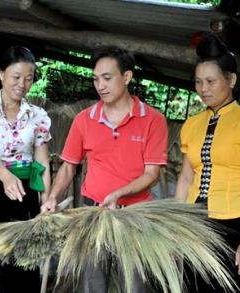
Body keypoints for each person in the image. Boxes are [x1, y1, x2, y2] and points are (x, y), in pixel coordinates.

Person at [41, 47, 168, 292]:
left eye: (107, 78)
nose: (101, 85)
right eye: (96, 79)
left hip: (136, 215)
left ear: (127, 77)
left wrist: (119, 194)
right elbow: (69, 168)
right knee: (91, 282)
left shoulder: (153, 120)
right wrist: (52, 198)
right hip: (93, 211)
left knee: (134, 284)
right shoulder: (84, 120)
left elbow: (152, 174)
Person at [174, 34, 240, 293]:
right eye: (198, 82)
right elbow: (185, 178)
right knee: (192, 286)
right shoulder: (192, 124)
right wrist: (174, 226)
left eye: (210, 81)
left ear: (231, 80)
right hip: (193, 223)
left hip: (234, 224)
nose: (203, 88)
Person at [0, 46, 51, 293]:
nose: (22, 84)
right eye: (16, 77)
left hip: (24, 195)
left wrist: (46, 203)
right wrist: (4, 175)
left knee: (24, 267)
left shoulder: (38, 115)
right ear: (1, 74)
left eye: (29, 78)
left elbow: (42, 163)